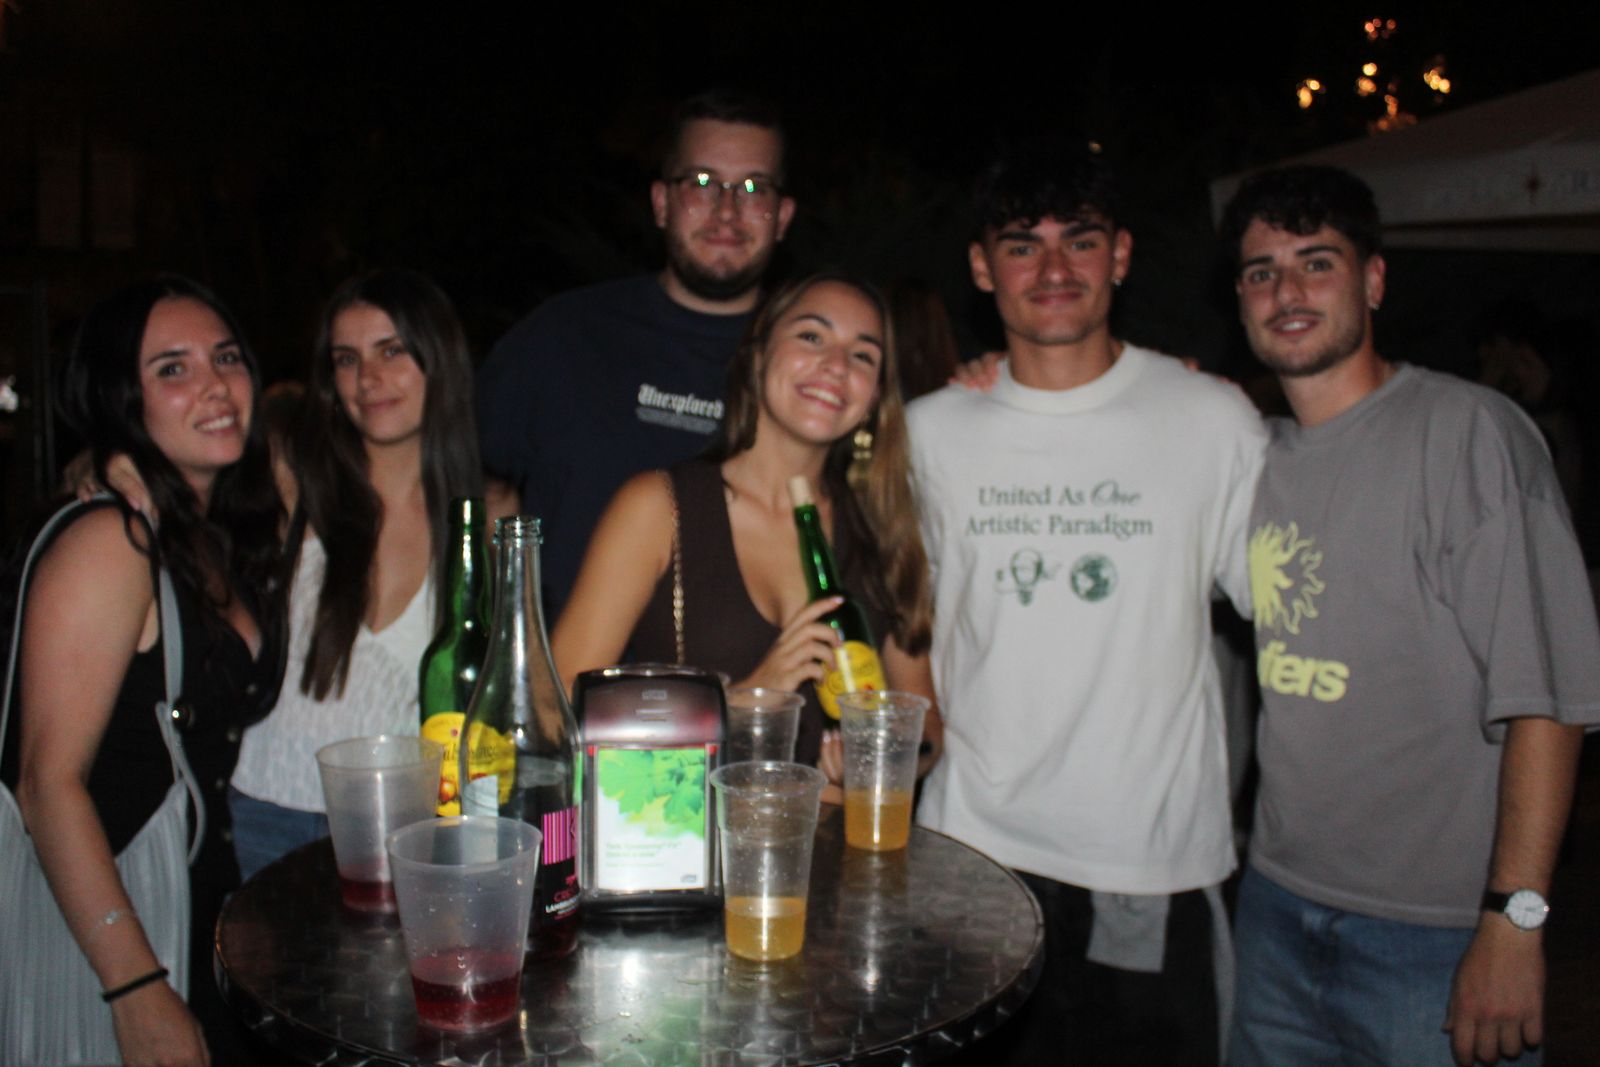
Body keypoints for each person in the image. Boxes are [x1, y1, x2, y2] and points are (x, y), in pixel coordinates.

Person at [1218, 165, 1600, 1067]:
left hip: (1434, 935)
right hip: (1275, 908)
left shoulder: (1468, 434)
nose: (1288, 291)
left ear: (1374, 279)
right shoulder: (1248, 456)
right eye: (1262, 271)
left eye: (1317, 262)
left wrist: (1514, 921)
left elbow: (1547, 697)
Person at [907, 144, 1265, 1065]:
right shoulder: (928, 433)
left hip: (1147, 868)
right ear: (984, 269)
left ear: (1122, 256)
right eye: (1023, 246)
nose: (1055, 269)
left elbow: (1293, 607)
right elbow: (890, 617)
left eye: (1082, 241)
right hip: (971, 862)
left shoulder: (1210, 417)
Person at [1, 277, 286, 1064]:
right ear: (120, 397)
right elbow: (45, 780)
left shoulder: (211, 529)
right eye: (172, 368)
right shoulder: (109, 539)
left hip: (201, 923)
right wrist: (134, 988)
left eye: (225, 357)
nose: (215, 384)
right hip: (119, 929)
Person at [551, 273, 941, 786]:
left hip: (834, 857)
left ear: (874, 398)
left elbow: (928, 732)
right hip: (680, 849)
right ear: (757, 357)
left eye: (863, 356)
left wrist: (880, 760)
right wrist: (743, 701)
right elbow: (554, 710)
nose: (836, 365)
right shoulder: (658, 507)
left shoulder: (880, 528)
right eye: (811, 336)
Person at [228, 268, 513, 877]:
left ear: (440, 359)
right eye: (346, 359)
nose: (369, 379)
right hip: (268, 812)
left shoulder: (488, 517)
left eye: (392, 351)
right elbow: (180, 483)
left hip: (408, 827)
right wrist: (111, 466)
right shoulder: (294, 477)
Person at [477, 90, 796, 615]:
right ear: (661, 203)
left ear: (782, 217)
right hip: (565, 683)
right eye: (700, 183)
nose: (727, 209)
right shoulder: (561, 336)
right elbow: (460, 481)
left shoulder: (810, 368)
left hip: (754, 689)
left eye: (752, 188)